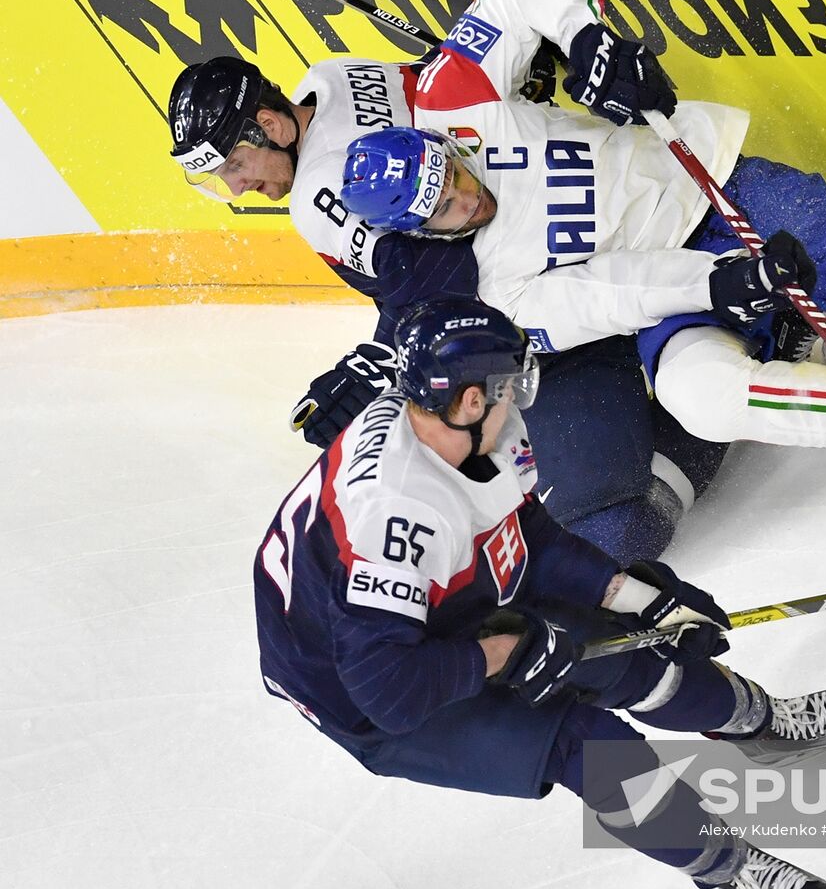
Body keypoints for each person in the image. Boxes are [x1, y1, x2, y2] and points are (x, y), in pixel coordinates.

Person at [252, 296, 826, 889]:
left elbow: (526, 534)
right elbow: (389, 690)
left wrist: (640, 600)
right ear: (471, 398)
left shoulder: (463, 430)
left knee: (640, 648)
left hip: (434, 601)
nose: (522, 397)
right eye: (511, 383)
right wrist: (508, 651)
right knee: (583, 742)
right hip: (357, 686)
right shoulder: (399, 514)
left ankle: (761, 724)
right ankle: (726, 865)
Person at [335, 0, 826, 489]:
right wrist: (716, 285)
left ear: (445, 148)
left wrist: (586, 39)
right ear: (421, 231)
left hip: (711, 185)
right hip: (679, 284)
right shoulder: (492, 290)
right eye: (447, 210)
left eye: (453, 173)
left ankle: (813, 314)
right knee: (702, 398)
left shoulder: (451, 99)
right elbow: (608, 295)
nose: (467, 198)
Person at [165, 52, 727, 563]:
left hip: (548, 300)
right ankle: (714, 361)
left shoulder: (317, 194)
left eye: (235, 167)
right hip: (591, 202)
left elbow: (447, 275)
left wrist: (374, 362)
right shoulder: (336, 76)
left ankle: (709, 417)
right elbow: (447, 73)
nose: (237, 188)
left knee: (600, 533)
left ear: (270, 126)